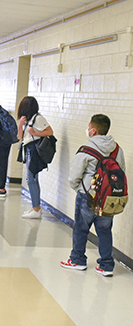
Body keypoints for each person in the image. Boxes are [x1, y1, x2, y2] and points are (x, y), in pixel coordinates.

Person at [60, 114, 125, 277]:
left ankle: (77, 260)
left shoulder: (86, 149)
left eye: (89, 126)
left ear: (93, 130)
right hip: (108, 199)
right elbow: (120, 170)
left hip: (88, 196)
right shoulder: (117, 149)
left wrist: (81, 190)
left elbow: (74, 176)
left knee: (81, 229)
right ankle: (107, 265)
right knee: (105, 230)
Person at [17, 96, 53, 219]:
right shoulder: (27, 120)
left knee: (31, 179)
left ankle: (36, 209)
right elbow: (20, 137)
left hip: (34, 151)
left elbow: (49, 132)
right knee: (31, 179)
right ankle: (35, 207)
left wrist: (35, 133)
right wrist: (20, 124)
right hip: (27, 149)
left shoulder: (38, 118)